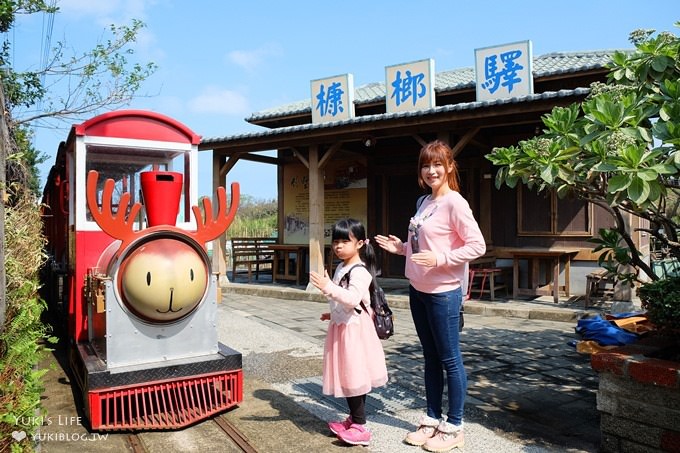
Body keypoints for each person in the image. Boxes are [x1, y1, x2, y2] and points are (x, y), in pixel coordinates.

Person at [375, 140, 485, 452]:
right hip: (418, 290)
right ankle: (433, 418)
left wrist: (440, 260)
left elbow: (477, 246)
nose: (431, 170)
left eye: (438, 164)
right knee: (430, 358)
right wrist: (402, 249)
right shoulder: (424, 202)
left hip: (443, 293)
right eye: (426, 165)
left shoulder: (455, 203)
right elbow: (424, 249)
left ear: (450, 167)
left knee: (450, 358)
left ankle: (455, 425)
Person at [309, 218, 388, 447]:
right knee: (349, 374)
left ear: (360, 243)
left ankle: (360, 426)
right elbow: (343, 301)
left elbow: (353, 298)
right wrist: (332, 314)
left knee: (354, 375)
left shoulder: (360, 271)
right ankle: (353, 419)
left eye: (345, 241)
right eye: (336, 241)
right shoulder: (341, 267)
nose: (339, 246)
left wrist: (327, 286)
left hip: (355, 331)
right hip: (342, 327)